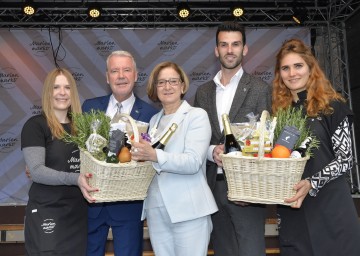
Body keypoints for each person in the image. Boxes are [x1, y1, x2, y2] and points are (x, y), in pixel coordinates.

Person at [272, 38, 360, 256]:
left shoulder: (332, 106)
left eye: (298, 66)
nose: (292, 73)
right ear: (279, 74)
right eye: (285, 68)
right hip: (293, 209)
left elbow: (346, 159)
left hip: (330, 208)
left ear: (311, 68)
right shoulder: (280, 114)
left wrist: (312, 183)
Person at [194, 21, 271, 256]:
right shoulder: (203, 92)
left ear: (244, 49)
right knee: (223, 250)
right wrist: (210, 152)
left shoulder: (259, 88)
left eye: (235, 44)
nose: (230, 50)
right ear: (216, 50)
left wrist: (254, 189)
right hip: (212, 188)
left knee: (251, 251)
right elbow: (197, 140)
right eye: (224, 45)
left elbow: (267, 140)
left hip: (247, 190)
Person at [131, 61, 218, 256]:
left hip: (189, 210)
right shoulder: (154, 121)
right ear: (155, 87)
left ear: (182, 85)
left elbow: (193, 162)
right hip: (156, 210)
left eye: (173, 81)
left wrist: (154, 155)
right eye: (161, 82)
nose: (167, 87)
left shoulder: (196, 116)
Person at [82, 50, 158, 256]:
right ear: (107, 77)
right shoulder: (89, 107)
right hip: (93, 203)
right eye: (115, 71)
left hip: (129, 206)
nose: (121, 76)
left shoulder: (152, 115)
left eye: (126, 70)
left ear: (135, 75)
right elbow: (79, 151)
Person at [21, 68, 96, 255]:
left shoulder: (82, 129)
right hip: (48, 210)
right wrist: (76, 178)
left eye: (67, 87)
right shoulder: (35, 125)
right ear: (48, 92)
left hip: (77, 214)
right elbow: (37, 171)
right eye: (56, 87)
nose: (62, 93)